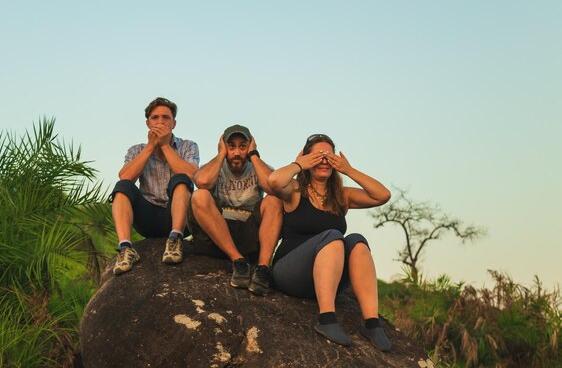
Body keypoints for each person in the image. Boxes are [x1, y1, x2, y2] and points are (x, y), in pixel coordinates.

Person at [267, 134, 392, 351]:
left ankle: (371, 323)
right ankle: (326, 319)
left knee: (357, 242)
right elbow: (273, 181)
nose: (324, 160)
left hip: (326, 279)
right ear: (307, 159)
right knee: (333, 237)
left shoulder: (342, 196)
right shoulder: (295, 190)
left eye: (329, 155)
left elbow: (383, 195)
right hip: (290, 273)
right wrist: (298, 164)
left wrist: (348, 170)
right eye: (317, 155)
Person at [110, 97, 199, 276]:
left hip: (180, 216)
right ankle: (126, 248)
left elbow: (190, 175)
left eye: (166, 118)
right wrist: (151, 147)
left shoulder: (188, 146)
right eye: (155, 118)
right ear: (148, 123)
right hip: (147, 218)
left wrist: (165, 146)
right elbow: (125, 176)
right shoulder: (136, 150)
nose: (160, 122)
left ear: (174, 123)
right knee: (122, 187)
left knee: (181, 180)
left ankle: (175, 240)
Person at [189, 125, 283, 295]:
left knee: (274, 200)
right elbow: (201, 182)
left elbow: (274, 188)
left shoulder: (258, 166)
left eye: (242, 146)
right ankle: (237, 261)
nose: (237, 153)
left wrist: (254, 156)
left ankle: (262, 269)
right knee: (199, 196)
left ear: (250, 146)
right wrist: (220, 155)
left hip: (249, 236)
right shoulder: (214, 167)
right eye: (231, 146)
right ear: (224, 146)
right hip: (218, 236)